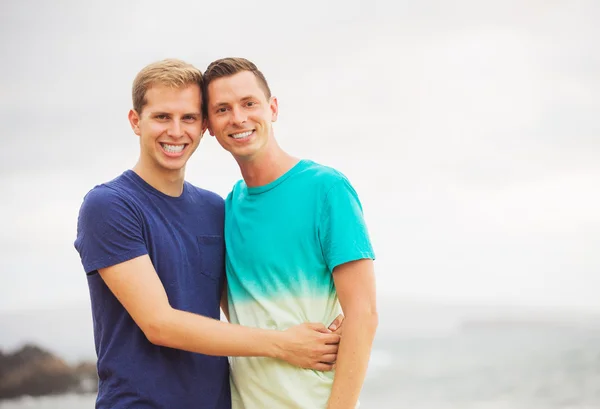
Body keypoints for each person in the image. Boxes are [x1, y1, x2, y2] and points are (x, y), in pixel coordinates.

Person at [73, 59, 342, 409]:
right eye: (161, 117)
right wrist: (284, 344)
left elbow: (247, 300)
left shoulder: (215, 209)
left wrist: (342, 320)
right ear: (136, 122)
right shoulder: (109, 205)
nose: (175, 131)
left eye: (188, 118)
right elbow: (160, 324)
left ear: (203, 127)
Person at [203, 57, 379, 409]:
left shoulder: (326, 189)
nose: (238, 118)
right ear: (209, 124)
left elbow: (363, 313)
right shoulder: (228, 208)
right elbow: (235, 306)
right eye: (223, 109)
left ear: (273, 108)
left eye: (249, 103)